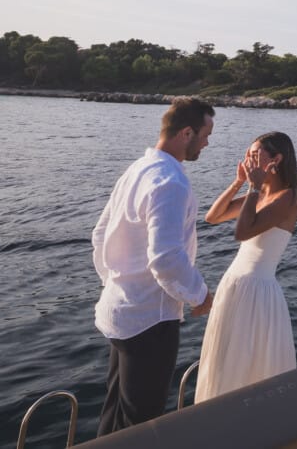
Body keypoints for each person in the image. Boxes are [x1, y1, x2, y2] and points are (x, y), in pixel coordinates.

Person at [91, 97, 216, 436]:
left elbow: (100, 235)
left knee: (115, 410)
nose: (207, 142)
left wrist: (114, 282)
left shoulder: (138, 169)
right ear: (186, 133)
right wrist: (200, 295)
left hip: (119, 310)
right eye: (205, 134)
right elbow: (166, 258)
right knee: (140, 424)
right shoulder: (170, 182)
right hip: (150, 320)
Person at [194, 130, 297, 402]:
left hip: (257, 292)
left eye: (255, 154)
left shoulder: (288, 198)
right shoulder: (260, 195)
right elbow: (212, 217)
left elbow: (242, 233)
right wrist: (238, 182)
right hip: (234, 284)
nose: (249, 159)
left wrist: (253, 188)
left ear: (276, 159)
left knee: (249, 364)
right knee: (224, 360)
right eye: (249, 154)